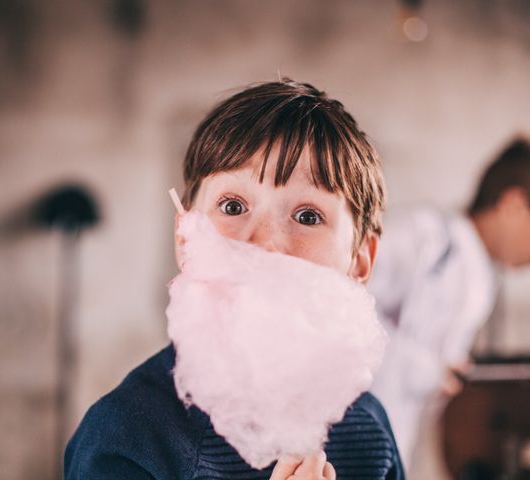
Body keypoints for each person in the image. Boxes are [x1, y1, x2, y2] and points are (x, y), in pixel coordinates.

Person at [64, 79, 404, 480]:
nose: (266, 243)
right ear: (186, 238)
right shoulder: (126, 436)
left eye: (308, 216)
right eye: (233, 205)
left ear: (360, 261)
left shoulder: (371, 428)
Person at [368, 137, 530, 470]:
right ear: (514, 203)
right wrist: (427, 368)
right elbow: (345, 304)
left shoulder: (481, 278)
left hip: (393, 440)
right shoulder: (425, 236)